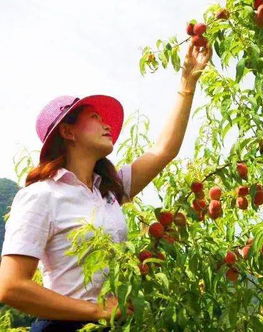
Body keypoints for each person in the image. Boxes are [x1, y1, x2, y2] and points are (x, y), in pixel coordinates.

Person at [0, 40, 212, 331]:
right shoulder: (41, 195)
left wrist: (187, 82)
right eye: (95, 117)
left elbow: (164, 150)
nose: (107, 124)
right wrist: (97, 310)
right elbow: (11, 287)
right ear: (67, 131)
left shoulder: (107, 191)